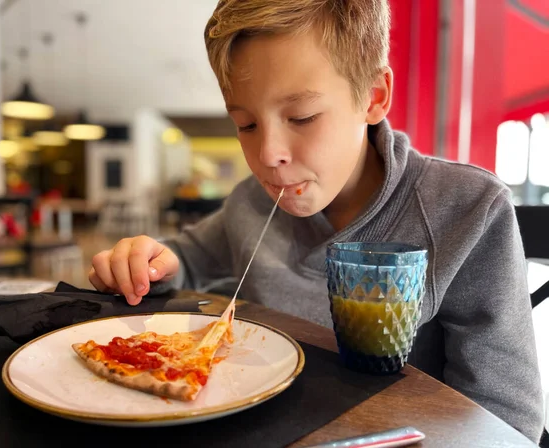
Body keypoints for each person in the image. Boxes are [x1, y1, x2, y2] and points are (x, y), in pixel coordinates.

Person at [88, 0, 545, 442]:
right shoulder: (251, 201)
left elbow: (504, 418)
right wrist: (154, 262)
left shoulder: (467, 209)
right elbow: (189, 258)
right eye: (246, 125)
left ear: (373, 97)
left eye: (302, 117)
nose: (268, 156)